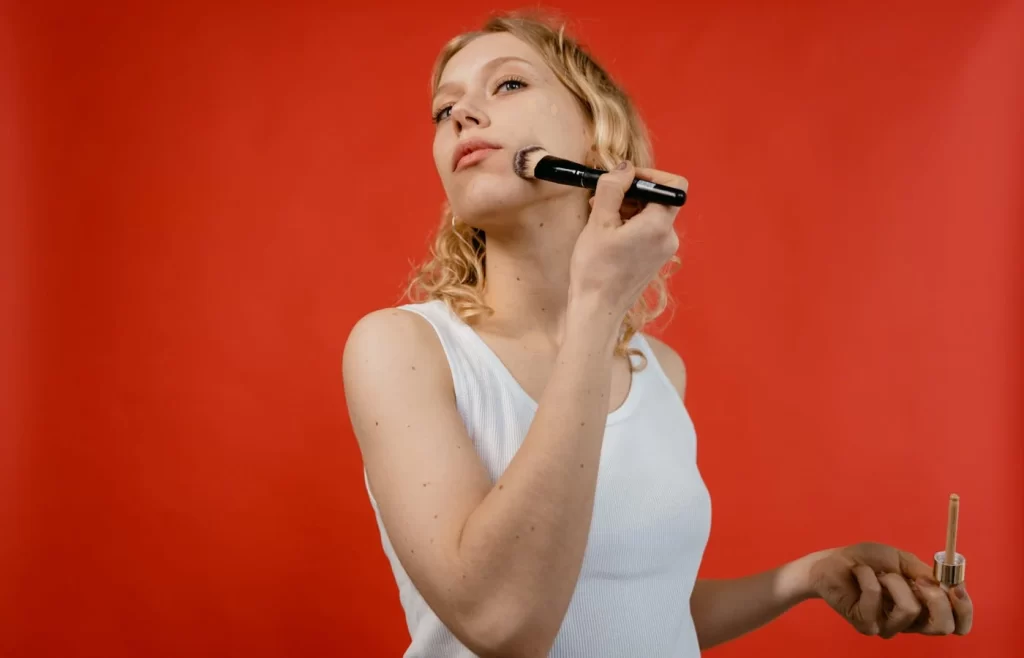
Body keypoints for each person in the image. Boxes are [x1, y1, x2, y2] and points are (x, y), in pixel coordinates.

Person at [342, 11, 974, 658]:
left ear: (594, 134)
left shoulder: (657, 371)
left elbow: (639, 609)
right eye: (444, 109)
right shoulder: (404, 350)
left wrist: (806, 578)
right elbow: (508, 622)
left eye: (506, 86)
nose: (462, 116)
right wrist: (596, 306)